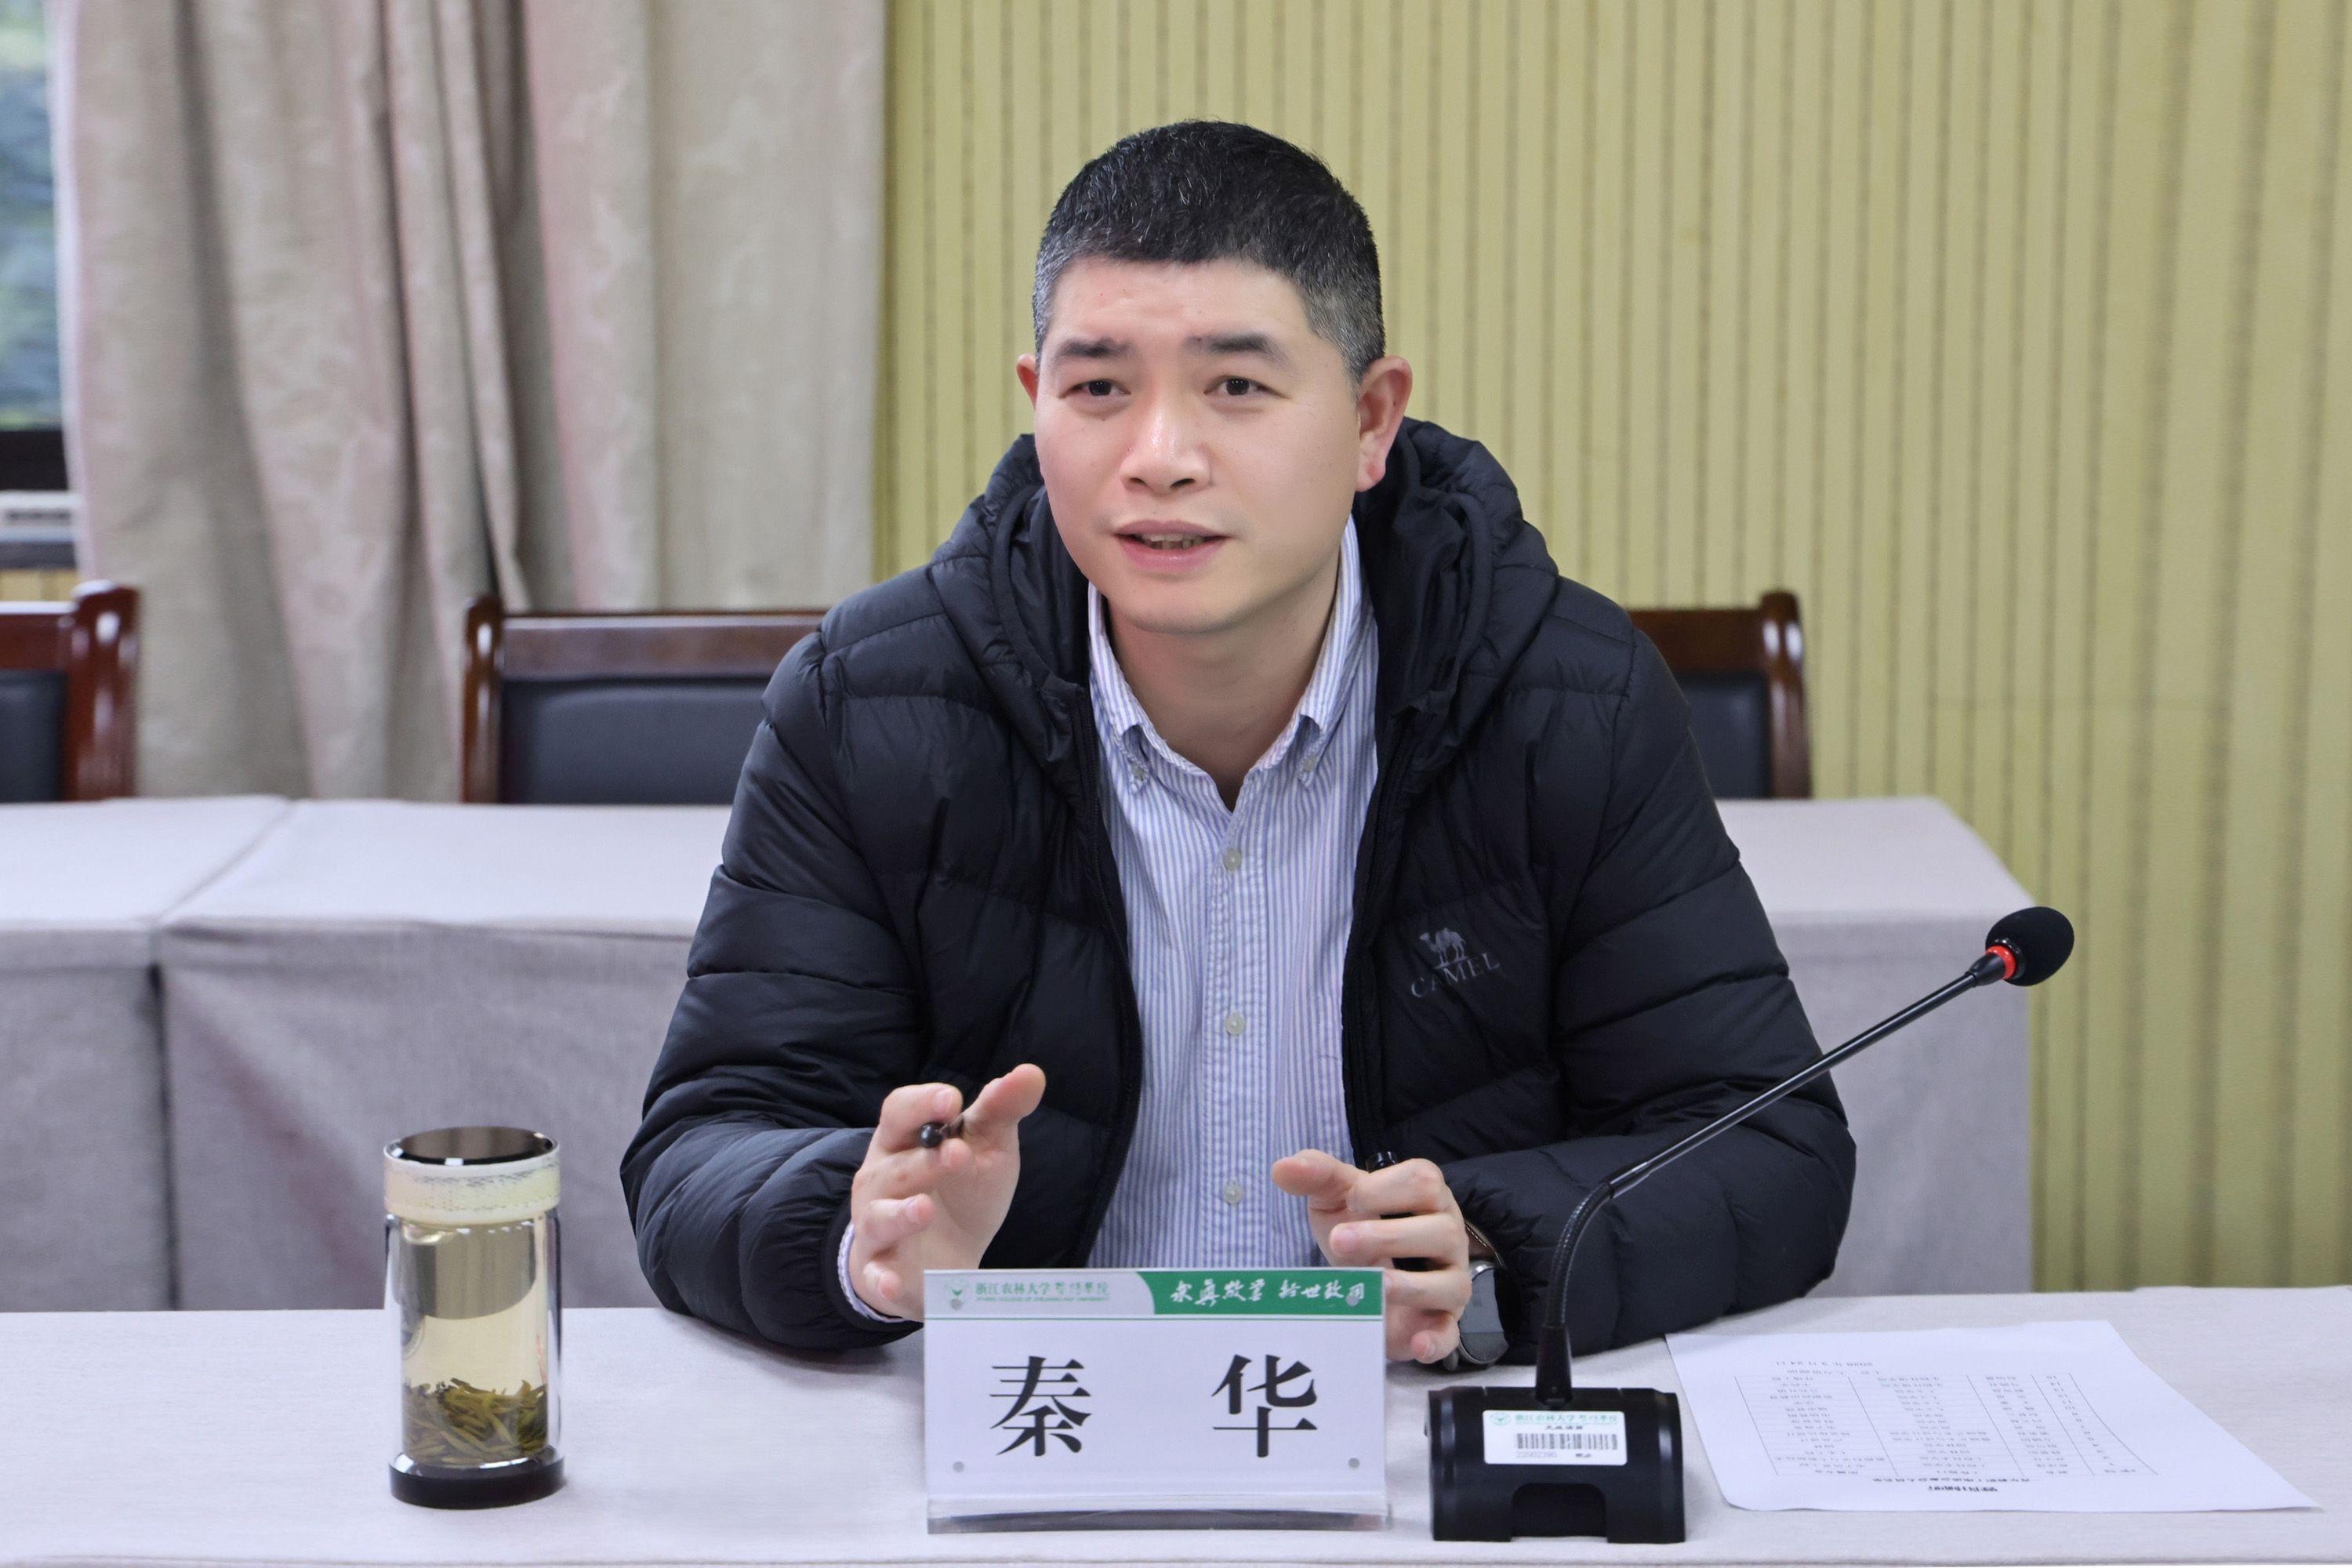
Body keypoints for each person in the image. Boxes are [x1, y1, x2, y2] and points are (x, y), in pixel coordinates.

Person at [620, 120, 1853, 1368]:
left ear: (1371, 420)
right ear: (1037, 400)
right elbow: (705, 1147)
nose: (1159, 458)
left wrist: (1489, 1254)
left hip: (1395, 1425)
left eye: (1237, 388)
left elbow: (1768, 1148)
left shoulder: (1565, 700)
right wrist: (862, 1236)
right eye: (1099, 389)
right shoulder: (867, 705)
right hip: (1034, 1425)